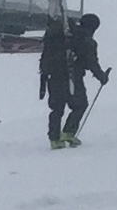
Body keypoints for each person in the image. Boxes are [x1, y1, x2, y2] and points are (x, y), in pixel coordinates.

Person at [38, 12, 110, 147]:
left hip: (53, 76)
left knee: (57, 108)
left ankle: (54, 139)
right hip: (73, 77)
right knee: (80, 104)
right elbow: (91, 62)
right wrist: (102, 77)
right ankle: (68, 133)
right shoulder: (86, 40)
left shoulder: (64, 36)